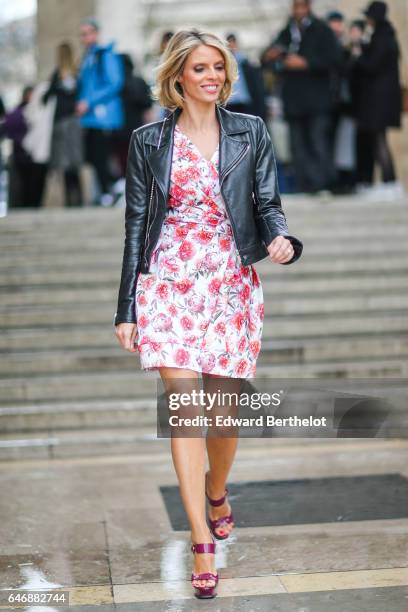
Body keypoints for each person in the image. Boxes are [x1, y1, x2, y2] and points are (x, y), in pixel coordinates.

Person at [114, 28, 303, 599]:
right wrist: (127, 308)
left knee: (222, 413)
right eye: (200, 68)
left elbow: (267, 204)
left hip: (227, 279)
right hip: (168, 278)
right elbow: (135, 226)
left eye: (218, 67)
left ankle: (216, 488)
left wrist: (281, 239)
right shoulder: (148, 141)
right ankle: (201, 539)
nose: (212, 77)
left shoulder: (251, 131)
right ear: (178, 76)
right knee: (185, 407)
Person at [262, 0, 341, 194]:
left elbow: (334, 60)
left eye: (301, 6)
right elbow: (267, 58)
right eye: (295, 6)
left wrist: (306, 63)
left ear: (308, 6)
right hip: (293, 100)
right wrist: (271, 57)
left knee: (317, 140)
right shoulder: (287, 31)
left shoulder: (321, 30)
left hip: (317, 99)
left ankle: (324, 183)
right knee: (297, 144)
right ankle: (305, 184)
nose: (298, 11)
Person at [352, 1, 403, 198]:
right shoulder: (386, 35)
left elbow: (372, 65)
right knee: (377, 140)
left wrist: (358, 51)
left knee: (379, 140)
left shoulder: (383, 37)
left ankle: (390, 182)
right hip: (379, 101)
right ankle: (386, 182)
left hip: (379, 102)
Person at [77, 17, 124, 206]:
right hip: (91, 117)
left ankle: (113, 187)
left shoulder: (105, 55)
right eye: (82, 34)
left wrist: (88, 101)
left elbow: (115, 83)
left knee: (101, 155)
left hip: (103, 116)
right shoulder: (88, 57)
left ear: (96, 34)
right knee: (93, 155)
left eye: (88, 33)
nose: (85, 37)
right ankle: (111, 188)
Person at [42, 42, 84, 207]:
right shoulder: (77, 74)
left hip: (62, 122)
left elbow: (45, 98)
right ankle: (77, 200)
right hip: (73, 121)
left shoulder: (58, 75)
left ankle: (70, 201)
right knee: (73, 161)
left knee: (66, 162)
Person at [225, 33, 267, 119]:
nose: (232, 46)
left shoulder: (245, 62)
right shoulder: (224, 63)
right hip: (230, 102)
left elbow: (256, 84)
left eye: (233, 43)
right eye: (229, 43)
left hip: (244, 102)